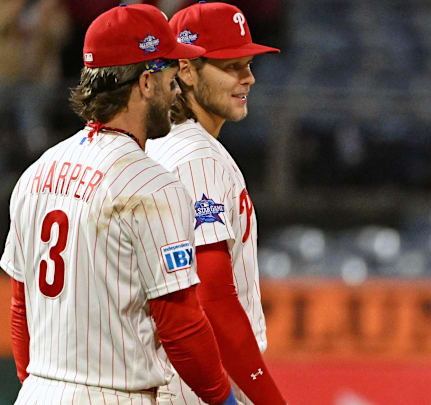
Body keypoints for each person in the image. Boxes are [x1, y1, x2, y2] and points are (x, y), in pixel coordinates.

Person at [0, 4, 240, 404]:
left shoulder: (36, 173)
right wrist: (224, 400)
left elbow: (21, 309)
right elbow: (180, 326)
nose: (177, 88)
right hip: (113, 394)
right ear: (145, 82)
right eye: (169, 76)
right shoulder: (153, 186)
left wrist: (39, 387)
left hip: (38, 391)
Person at [145, 2, 287, 405]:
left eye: (248, 64)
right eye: (231, 67)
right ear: (186, 71)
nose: (249, 78)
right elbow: (215, 301)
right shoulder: (197, 158)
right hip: (197, 384)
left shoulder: (158, 144)